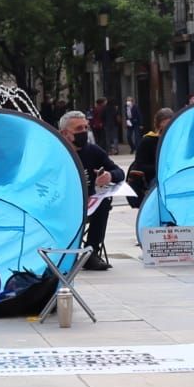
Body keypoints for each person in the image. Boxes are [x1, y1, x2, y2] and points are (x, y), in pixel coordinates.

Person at [58, 111, 123, 270]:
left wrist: (109, 176)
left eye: (86, 128)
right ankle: (63, 252)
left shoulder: (93, 151)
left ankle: (91, 253)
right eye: (79, 129)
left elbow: (119, 172)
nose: (84, 132)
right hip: (60, 203)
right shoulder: (56, 152)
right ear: (65, 133)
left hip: (89, 203)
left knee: (104, 202)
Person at [127, 107, 174, 205]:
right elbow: (140, 165)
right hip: (153, 178)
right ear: (158, 124)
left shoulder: (175, 140)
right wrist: (160, 168)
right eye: (165, 123)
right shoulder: (148, 140)